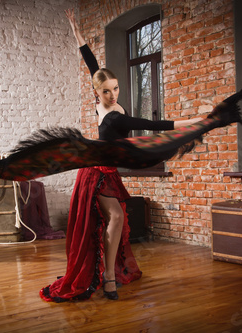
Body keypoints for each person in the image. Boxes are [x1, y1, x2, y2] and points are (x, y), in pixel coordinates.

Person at [38, 9, 204, 302]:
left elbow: (92, 65)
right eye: (106, 91)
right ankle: (109, 278)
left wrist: (78, 33)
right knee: (115, 217)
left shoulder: (106, 102)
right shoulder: (114, 118)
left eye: (115, 88)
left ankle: (107, 270)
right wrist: (196, 121)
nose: (113, 95)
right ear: (96, 93)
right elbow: (155, 125)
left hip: (107, 172)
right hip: (95, 173)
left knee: (116, 220)